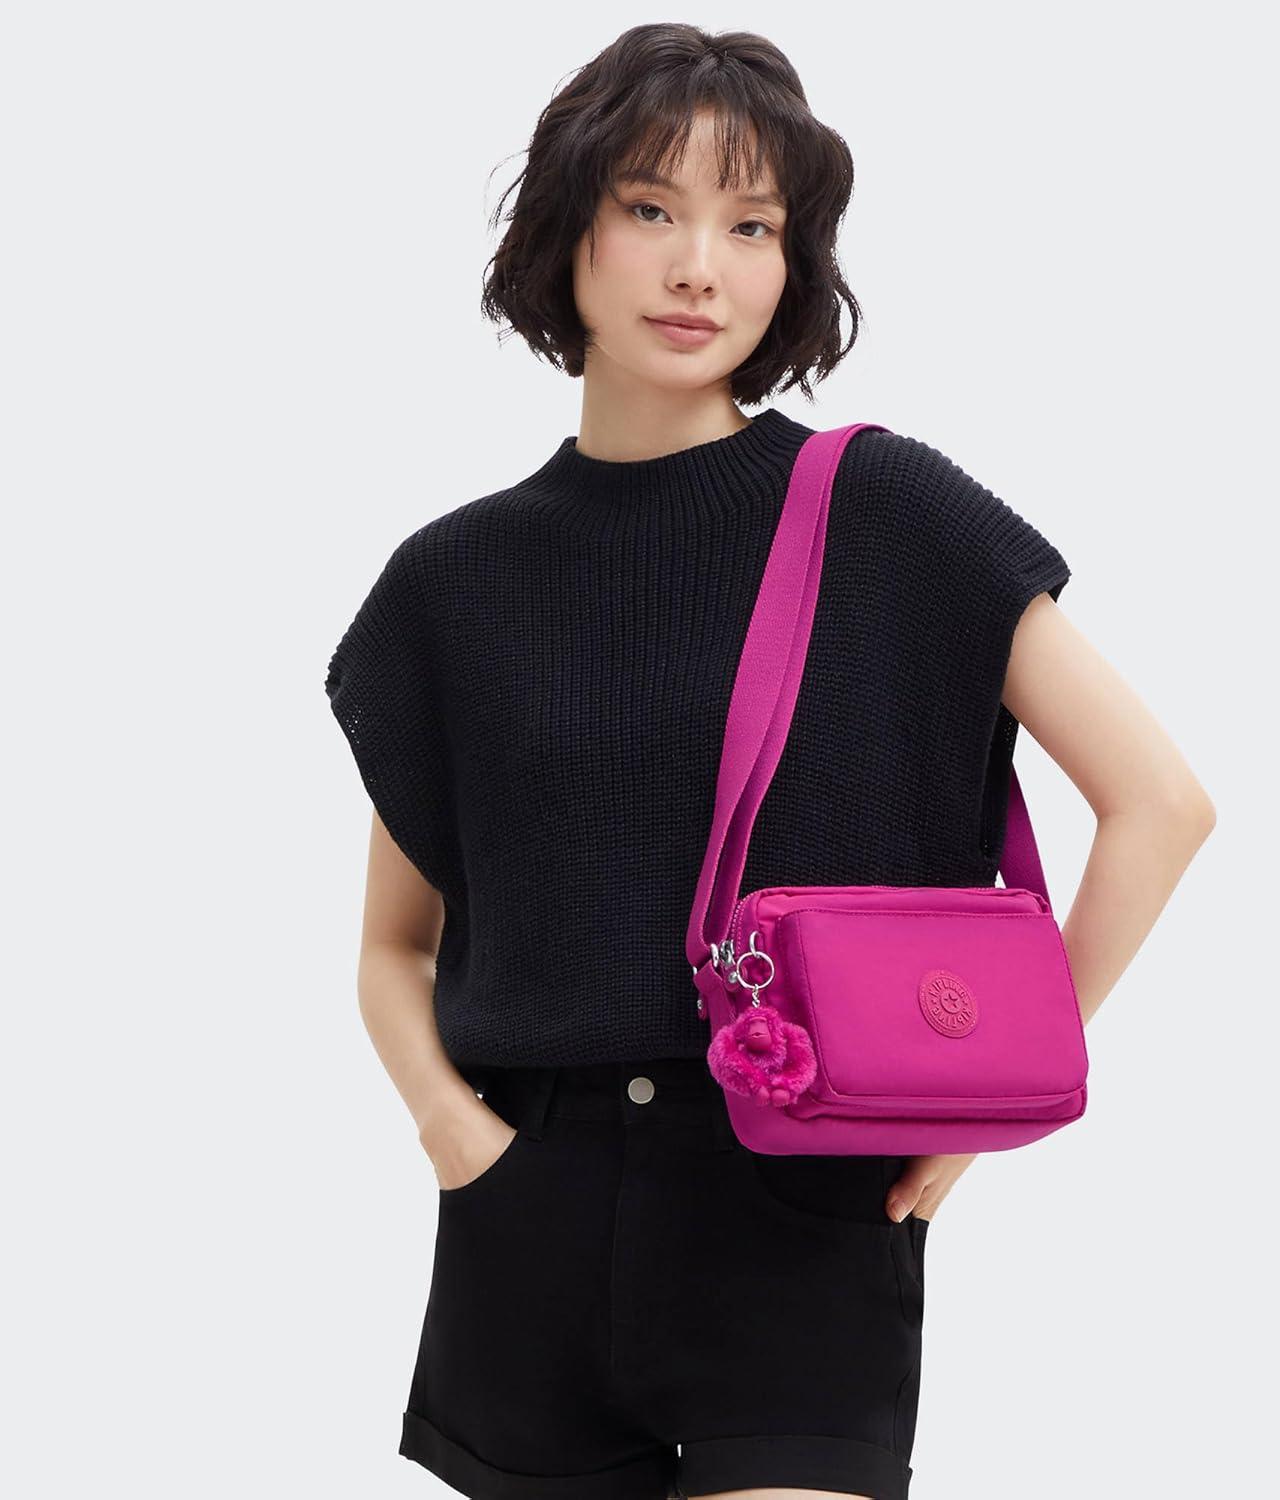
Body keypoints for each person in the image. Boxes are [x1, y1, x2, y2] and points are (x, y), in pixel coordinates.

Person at [324, 23, 1215, 1500]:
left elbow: (1162, 806)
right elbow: (390, 946)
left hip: (803, 1196)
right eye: (651, 207)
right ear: (566, 228)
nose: (701, 270)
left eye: (752, 227)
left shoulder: (887, 509)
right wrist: (452, 1134)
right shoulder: (451, 582)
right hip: (527, 1207)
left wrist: (984, 1108)